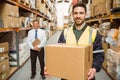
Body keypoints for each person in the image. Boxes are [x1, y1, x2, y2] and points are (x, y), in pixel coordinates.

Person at [58, 2, 104, 80]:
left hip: (86, 76)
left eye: (81, 13)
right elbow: (59, 53)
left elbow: (99, 55)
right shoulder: (65, 32)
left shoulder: (93, 33)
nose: (78, 16)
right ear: (72, 14)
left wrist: (94, 68)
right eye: (76, 13)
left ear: (85, 14)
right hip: (67, 76)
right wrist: (51, 65)